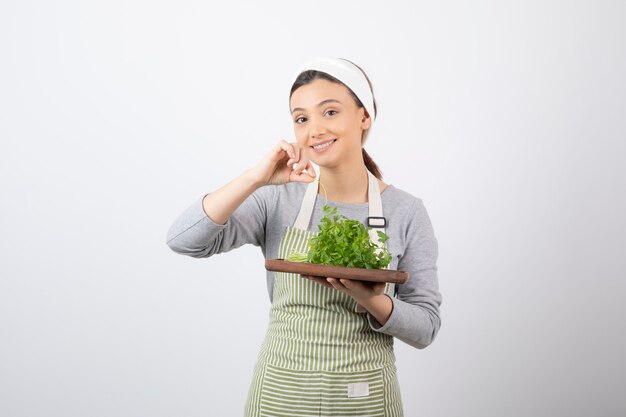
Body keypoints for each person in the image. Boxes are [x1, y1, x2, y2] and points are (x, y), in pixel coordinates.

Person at [166, 57, 442, 417]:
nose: (314, 130)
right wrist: (254, 178)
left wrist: (371, 300)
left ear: (364, 117)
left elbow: (425, 328)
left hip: (364, 398)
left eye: (329, 112)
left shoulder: (406, 211)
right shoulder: (278, 198)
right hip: (281, 395)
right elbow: (184, 240)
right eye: (301, 118)